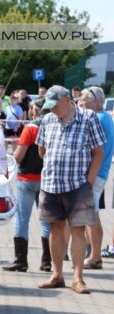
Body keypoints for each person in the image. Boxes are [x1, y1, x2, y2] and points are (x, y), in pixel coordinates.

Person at [35, 85, 106, 294]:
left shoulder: (88, 118)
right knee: (55, 229)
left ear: (67, 99)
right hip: (51, 185)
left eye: (55, 105)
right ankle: (57, 275)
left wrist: (89, 182)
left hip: (79, 185)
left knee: (78, 230)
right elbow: (41, 150)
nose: (52, 110)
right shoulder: (47, 120)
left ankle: (77, 278)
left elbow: (98, 153)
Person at [6, 97, 50, 272]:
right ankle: (47, 261)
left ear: (36, 110)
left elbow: (18, 157)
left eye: (33, 108)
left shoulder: (31, 128)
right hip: (46, 179)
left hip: (26, 179)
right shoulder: (55, 126)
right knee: (46, 220)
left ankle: (21, 260)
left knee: (22, 218)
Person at [78, 87, 113, 269]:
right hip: (100, 172)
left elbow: (89, 147)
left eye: (84, 99)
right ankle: (93, 254)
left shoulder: (97, 119)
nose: (81, 102)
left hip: (94, 173)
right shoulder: (105, 117)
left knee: (91, 216)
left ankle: (95, 256)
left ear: (96, 102)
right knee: (93, 215)